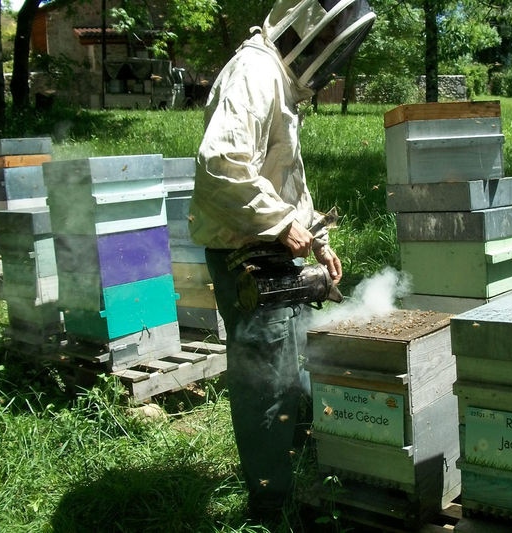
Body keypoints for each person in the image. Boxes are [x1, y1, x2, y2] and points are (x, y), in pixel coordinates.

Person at [188, 0, 375, 519]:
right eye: (321, 44)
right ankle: (271, 502)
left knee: (291, 367)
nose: (324, 57)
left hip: (271, 249)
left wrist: (316, 237)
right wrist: (279, 223)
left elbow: (284, 176)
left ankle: (295, 470)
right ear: (303, 32)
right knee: (265, 381)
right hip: (243, 253)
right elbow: (220, 165)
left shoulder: (277, 79)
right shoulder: (253, 72)